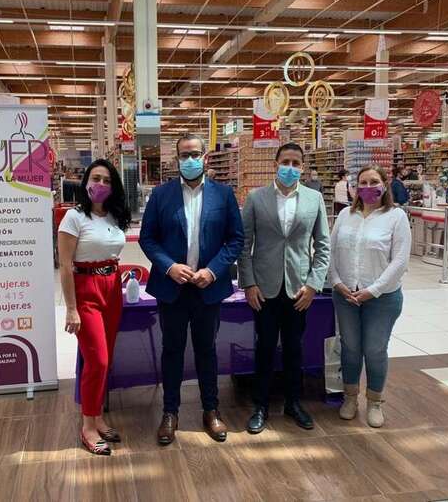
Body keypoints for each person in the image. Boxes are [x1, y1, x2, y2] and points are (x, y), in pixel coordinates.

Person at [139, 133, 244, 446]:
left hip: (207, 288)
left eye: (195, 154)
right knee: (172, 350)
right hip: (172, 288)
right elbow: (148, 239)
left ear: (205, 157)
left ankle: (211, 410)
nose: (190, 160)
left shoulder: (223, 195)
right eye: (184, 155)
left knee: (206, 350)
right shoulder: (161, 195)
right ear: (177, 159)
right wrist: (169, 266)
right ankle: (170, 412)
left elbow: (235, 239)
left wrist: (212, 271)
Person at [239, 143, 330, 434]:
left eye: (296, 162)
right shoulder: (256, 198)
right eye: (285, 161)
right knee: (264, 347)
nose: (290, 167)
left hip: (299, 290)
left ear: (302, 167)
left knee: (294, 348)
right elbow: (244, 245)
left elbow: (323, 246)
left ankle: (293, 402)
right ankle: (261, 406)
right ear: (275, 164)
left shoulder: (314, 199)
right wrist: (249, 283)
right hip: (264, 288)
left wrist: (313, 285)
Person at [58, 159, 131, 456]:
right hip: (86, 291)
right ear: (86, 181)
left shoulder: (114, 216)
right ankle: (88, 426)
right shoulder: (73, 217)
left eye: (107, 180)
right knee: (97, 361)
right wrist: (71, 308)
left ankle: (97, 415)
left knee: (106, 359)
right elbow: (65, 266)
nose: (101, 184)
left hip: (112, 289)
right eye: (96, 178)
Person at [329, 165, 411, 428]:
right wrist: (337, 282)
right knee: (350, 348)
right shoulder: (346, 215)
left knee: (375, 349)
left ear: (384, 185)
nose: (367, 187)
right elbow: (330, 251)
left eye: (374, 181)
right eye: (362, 182)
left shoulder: (396, 217)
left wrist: (372, 290)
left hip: (382, 298)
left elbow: (400, 261)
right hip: (346, 295)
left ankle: (375, 401)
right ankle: (350, 397)